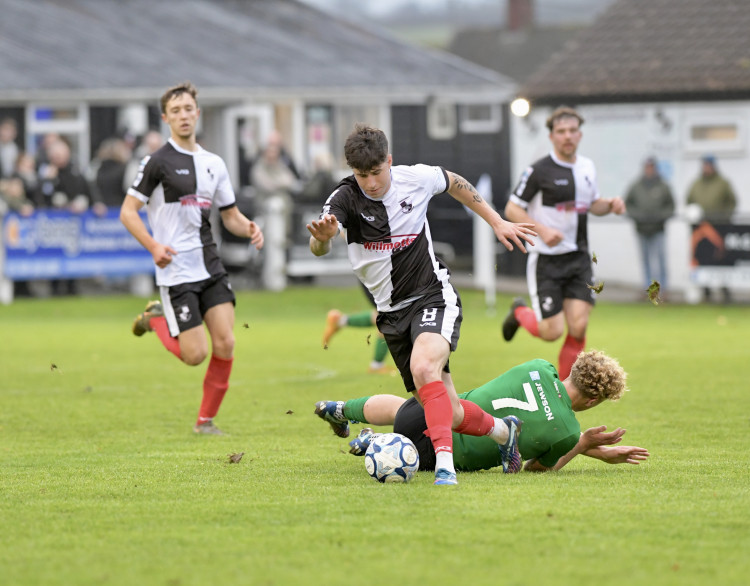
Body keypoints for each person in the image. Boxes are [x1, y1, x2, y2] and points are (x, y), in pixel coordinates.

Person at [307, 124, 537, 485]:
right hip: (391, 314)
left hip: (432, 294)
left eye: (376, 172)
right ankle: (505, 434)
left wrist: (496, 221)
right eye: (361, 175)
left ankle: (445, 468)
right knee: (449, 410)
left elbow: (455, 181)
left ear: (390, 161)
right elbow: (324, 238)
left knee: (424, 367)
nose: (370, 182)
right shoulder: (345, 198)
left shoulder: (415, 179)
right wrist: (321, 241)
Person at [119, 82, 264, 435]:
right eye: (176, 110)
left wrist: (249, 228)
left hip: (210, 265)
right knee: (194, 355)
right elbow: (128, 212)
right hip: (176, 271)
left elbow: (229, 214)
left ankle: (205, 422)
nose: (184, 115)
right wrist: (154, 247)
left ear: (197, 113)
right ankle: (156, 319)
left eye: (188, 108)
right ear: (165, 118)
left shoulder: (214, 163)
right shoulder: (156, 162)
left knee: (227, 342)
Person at [316, 350, 649, 474]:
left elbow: (543, 416)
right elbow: (537, 466)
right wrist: (586, 444)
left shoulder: (539, 365)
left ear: (572, 370)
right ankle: (375, 441)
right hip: (435, 452)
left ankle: (343, 409)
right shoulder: (568, 433)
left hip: (430, 411)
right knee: (409, 445)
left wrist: (588, 444)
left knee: (403, 407)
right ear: (592, 402)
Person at [503, 106, 626, 381]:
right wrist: (543, 230)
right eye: (561, 131)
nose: (567, 136)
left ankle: (564, 392)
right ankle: (520, 311)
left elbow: (592, 204)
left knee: (579, 326)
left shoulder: (586, 167)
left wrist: (610, 205)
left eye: (572, 131)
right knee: (552, 332)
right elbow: (512, 209)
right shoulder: (538, 171)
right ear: (552, 136)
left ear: (580, 135)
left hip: (579, 257)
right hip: (547, 260)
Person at [686, 155, 737, 303]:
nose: (706, 168)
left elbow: (732, 202)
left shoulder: (723, 183)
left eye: (709, 165)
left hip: (719, 227)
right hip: (701, 228)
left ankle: (724, 289)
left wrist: (724, 217)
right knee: (703, 258)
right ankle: (705, 289)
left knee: (721, 257)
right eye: (705, 165)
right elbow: (688, 201)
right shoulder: (696, 184)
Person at [624, 157, 675, 293]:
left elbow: (671, 205)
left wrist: (661, 216)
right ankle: (648, 288)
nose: (649, 170)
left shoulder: (663, 185)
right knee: (645, 261)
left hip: (658, 229)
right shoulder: (636, 186)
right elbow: (627, 204)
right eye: (647, 167)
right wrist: (637, 216)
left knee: (660, 260)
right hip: (642, 229)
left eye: (651, 167)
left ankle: (663, 289)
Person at [322, 283, 396, 375]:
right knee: (387, 318)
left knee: (384, 315)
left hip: (379, 276)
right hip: (379, 276)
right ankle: (377, 365)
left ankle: (340, 321)